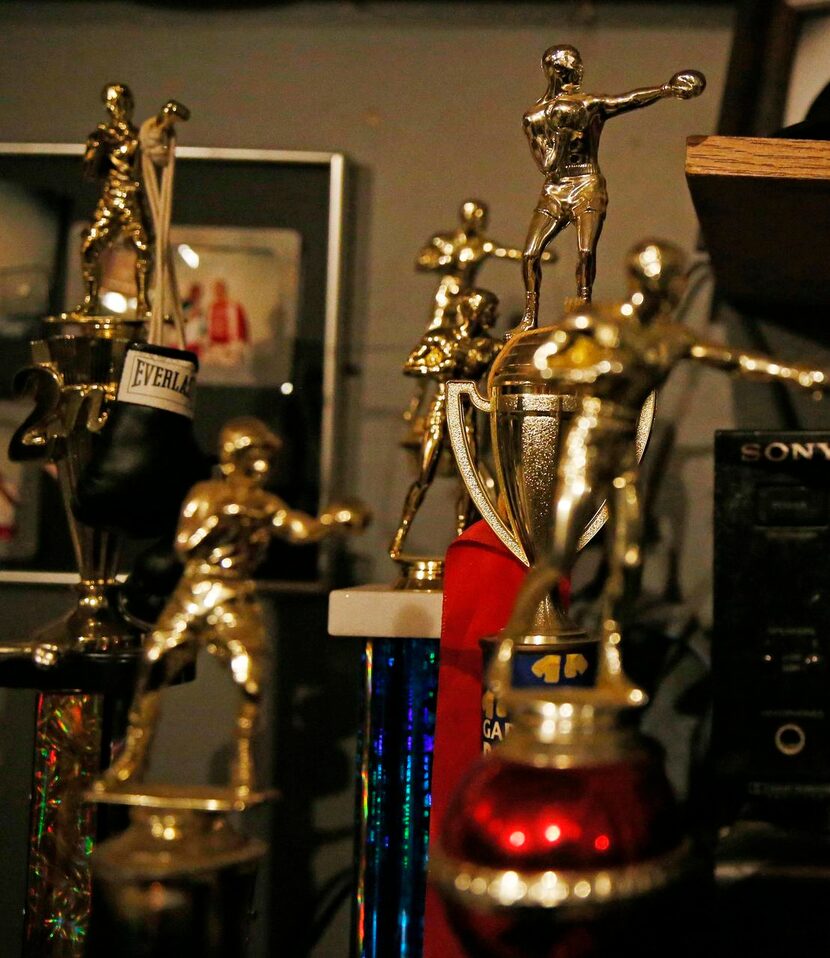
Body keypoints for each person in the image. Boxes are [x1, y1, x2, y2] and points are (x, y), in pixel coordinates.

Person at [503, 240, 829, 700]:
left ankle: (612, 666)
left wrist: (797, 376)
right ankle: (510, 654)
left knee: (629, 561)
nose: (678, 287)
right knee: (556, 556)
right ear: (648, 279)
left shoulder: (669, 337)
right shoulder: (599, 322)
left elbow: (734, 361)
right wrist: (599, 366)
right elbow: (545, 363)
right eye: (671, 279)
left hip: (622, 454)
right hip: (589, 445)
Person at [98, 418, 368, 794]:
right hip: (195, 591)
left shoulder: (264, 503)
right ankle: (131, 761)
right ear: (234, 458)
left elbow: (296, 528)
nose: (263, 468)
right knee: (155, 665)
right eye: (256, 458)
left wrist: (332, 522)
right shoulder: (206, 495)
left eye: (266, 460)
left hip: (235, 596)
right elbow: (184, 545)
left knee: (252, 679)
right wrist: (221, 522)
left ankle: (244, 763)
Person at [516, 45, 705, 333]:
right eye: (570, 64)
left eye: (577, 64)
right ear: (554, 70)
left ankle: (583, 303)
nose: (577, 69)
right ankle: (530, 316)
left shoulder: (590, 104)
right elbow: (547, 166)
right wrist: (563, 133)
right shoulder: (535, 117)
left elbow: (627, 100)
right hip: (555, 188)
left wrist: (666, 89)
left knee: (585, 251)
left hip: (587, 184)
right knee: (530, 254)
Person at [390, 289, 501, 561]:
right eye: (488, 310)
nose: (492, 316)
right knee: (424, 477)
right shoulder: (441, 338)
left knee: (471, 483)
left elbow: (505, 364)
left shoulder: (488, 346)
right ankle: (400, 536)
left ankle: (462, 542)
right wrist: (439, 366)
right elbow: (411, 366)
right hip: (440, 411)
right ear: (472, 311)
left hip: (468, 415)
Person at [77, 83, 152, 317]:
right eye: (113, 104)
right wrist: (96, 148)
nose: (118, 108)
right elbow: (90, 172)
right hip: (111, 198)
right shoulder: (103, 136)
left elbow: (157, 160)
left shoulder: (141, 136)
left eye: (122, 103)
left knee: (144, 248)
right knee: (89, 247)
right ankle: (90, 302)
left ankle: (143, 302)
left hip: (132, 198)